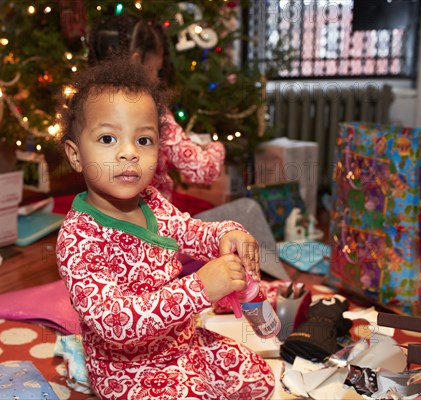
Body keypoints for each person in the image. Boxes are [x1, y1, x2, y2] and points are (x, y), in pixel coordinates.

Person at [56, 58, 274, 399]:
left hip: (184, 343)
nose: (129, 153)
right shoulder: (79, 237)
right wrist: (199, 288)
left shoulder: (151, 201)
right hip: (129, 371)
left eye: (143, 141)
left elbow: (190, 232)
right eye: (108, 138)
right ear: (75, 154)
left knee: (259, 379)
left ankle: (197, 379)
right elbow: (113, 321)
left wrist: (226, 235)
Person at [88, 14, 226, 201]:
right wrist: (215, 147)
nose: (157, 77)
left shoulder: (86, 106)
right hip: (150, 222)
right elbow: (203, 170)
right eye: (155, 70)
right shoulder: (151, 112)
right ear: (137, 60)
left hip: (107, 219)